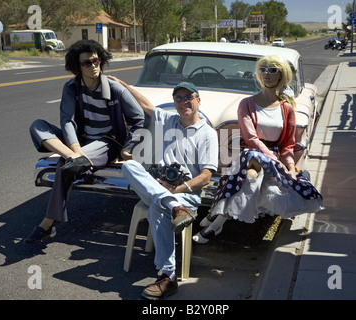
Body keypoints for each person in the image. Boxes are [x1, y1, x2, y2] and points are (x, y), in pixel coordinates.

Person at [193, 54, 324, 244]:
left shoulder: (287, 108)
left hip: (272, 158)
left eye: (273, 70)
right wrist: (272, 157)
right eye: (263, 69)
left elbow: (288, 143)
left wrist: (288, 165)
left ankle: (217, 221)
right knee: (253, 159)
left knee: (250, 177)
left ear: (282, 75)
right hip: (250, 153)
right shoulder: (247, 104)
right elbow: (251, 138)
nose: (267, 74)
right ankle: (215, 225)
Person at [25, 40, 145, 244]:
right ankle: (76, 159)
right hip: (80, 142)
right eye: (86, 63)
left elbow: (139, 119)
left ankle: (47, 223)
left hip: (107, 142)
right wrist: (75, 150)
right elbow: (67, 120)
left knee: (65, 166)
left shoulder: (115, 89)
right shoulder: (72, 87)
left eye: (96, 60)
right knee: (37, 125)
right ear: (77, 67)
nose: (93, 66)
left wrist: (127, 148)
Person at [109, 77, 218, 299]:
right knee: (129, 165)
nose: (183, 101)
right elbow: (145, 105)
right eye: (178, 98)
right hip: (159, 189)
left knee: (157, 209)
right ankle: (172, 205)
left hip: (186, 195)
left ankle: (168, 276)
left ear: (198, 100)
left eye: (188, 97)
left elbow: (206, 176)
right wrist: (123, 84)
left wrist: (176, 191)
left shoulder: (208, 133)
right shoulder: (169, 120)